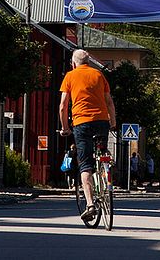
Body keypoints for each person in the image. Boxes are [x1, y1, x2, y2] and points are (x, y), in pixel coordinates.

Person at [59, 49, 116, 221]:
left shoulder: (70, 76)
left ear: (73, 63)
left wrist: (65, 128)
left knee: (85, 165)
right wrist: (112, 123)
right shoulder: (99, 75)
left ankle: (90, 204)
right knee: (101, 152)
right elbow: (109, 102)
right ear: (88, 62)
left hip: (81, 123)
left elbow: (63, 105)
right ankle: (105, 170)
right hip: (101, 122)